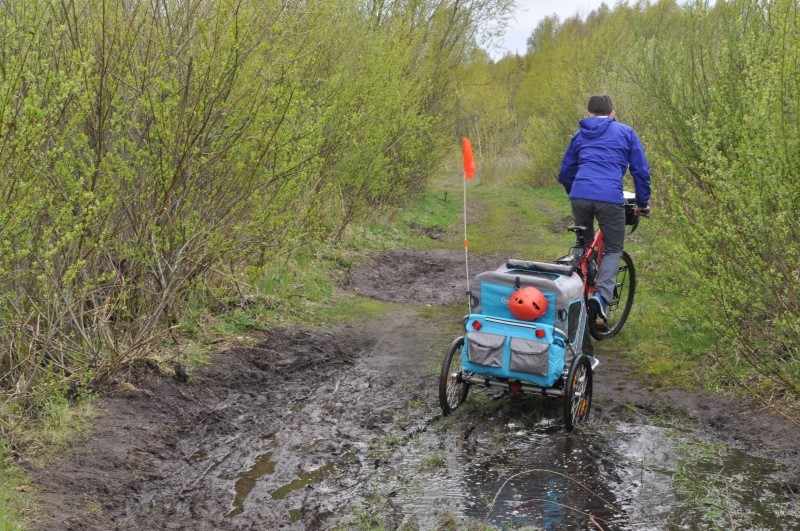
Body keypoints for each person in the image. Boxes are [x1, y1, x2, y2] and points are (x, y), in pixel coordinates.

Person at [557, 94, 651, 323]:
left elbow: (565, 173)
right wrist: (642, 203)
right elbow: (640, 171)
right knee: (613, 248)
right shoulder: (626, 132)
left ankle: (573, 300)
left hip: (580, 195)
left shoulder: (579, 135)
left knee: (583, 245)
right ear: (613, 112)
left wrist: (576, 192)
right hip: (609, 197)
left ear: (589, 113)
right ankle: (600, 299)